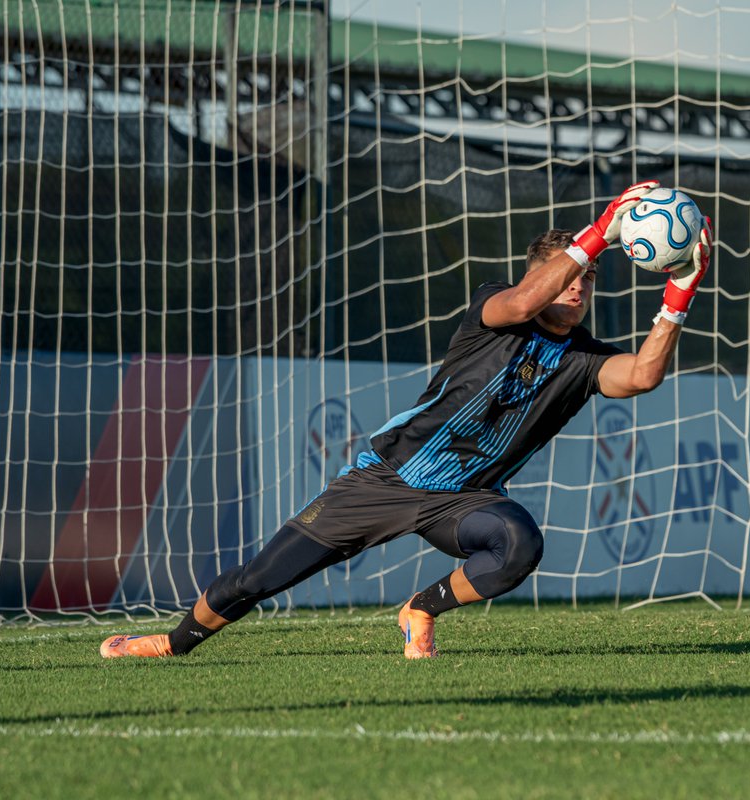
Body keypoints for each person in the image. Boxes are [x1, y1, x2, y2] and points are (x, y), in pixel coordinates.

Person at [100, 179, 712, 660]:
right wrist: (601, 230)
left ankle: (421, 608)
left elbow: (643, 375)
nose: (580, 286)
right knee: (257, 579)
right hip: (386, 479)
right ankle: (172, 643)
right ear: (539, 274)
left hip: (464, 499)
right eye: (572, 274)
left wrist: (681, 289)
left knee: (519, 546)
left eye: (590, 278)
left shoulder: (584, 359)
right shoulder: (495, 306)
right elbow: (527, 300)